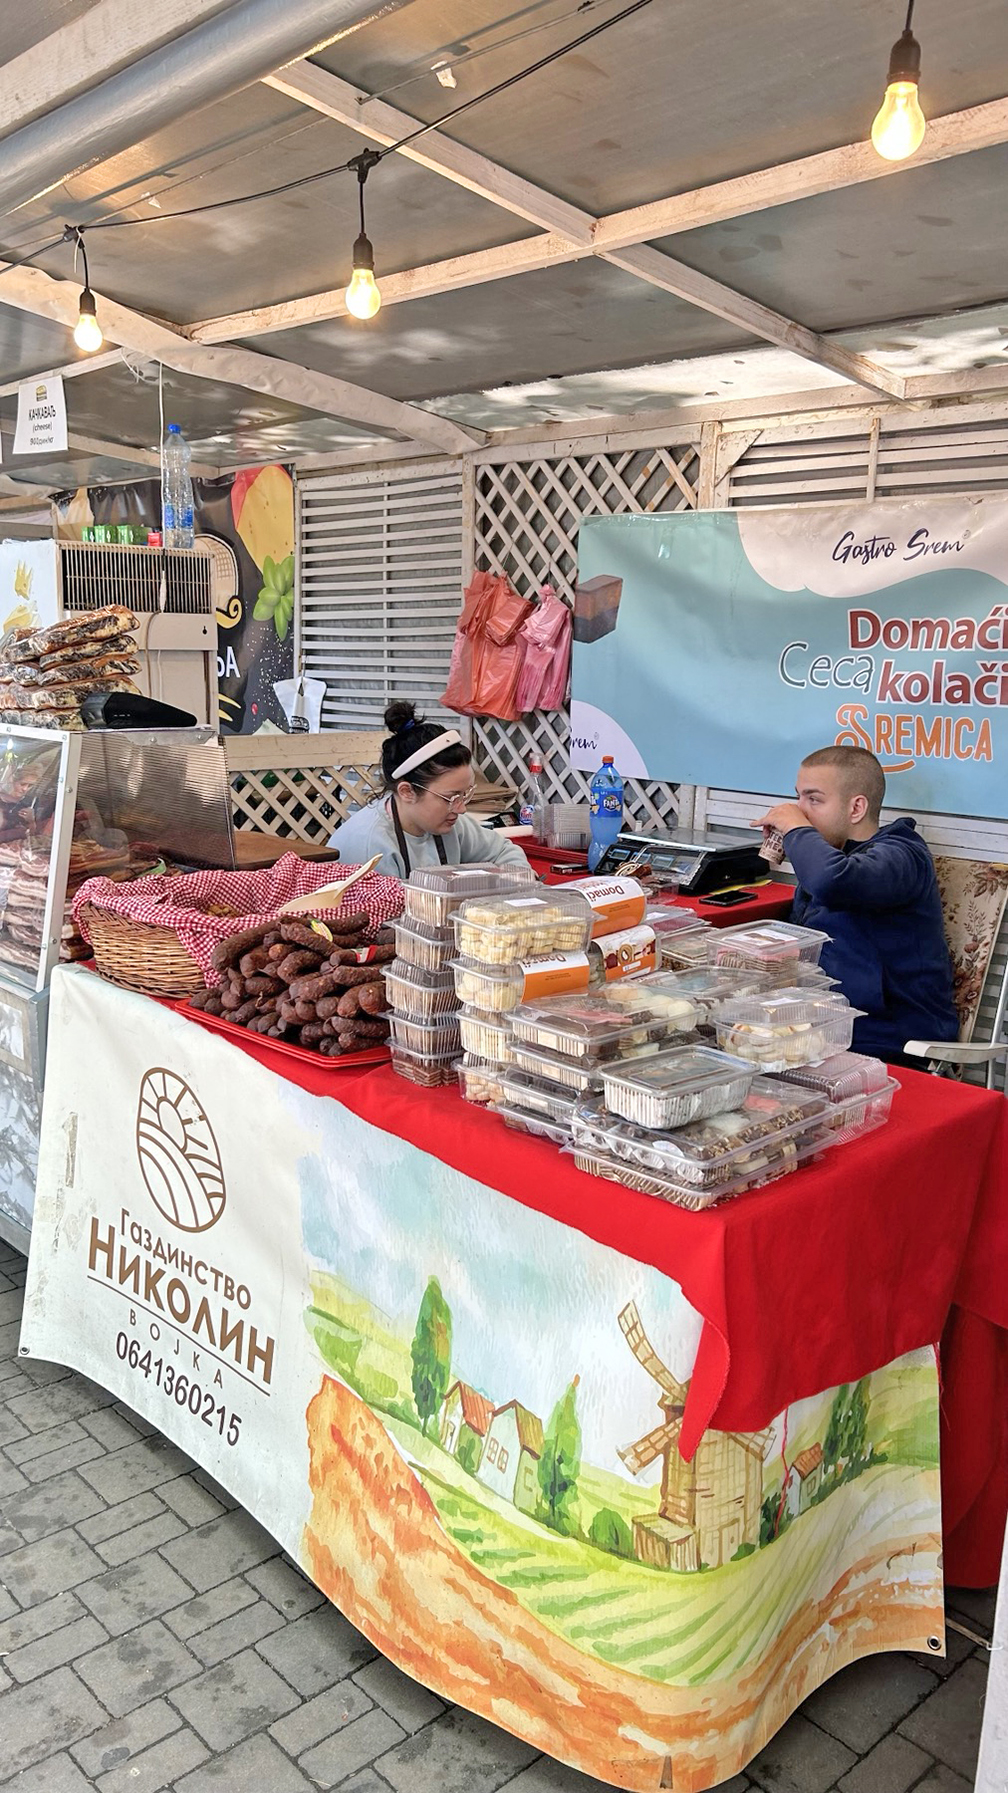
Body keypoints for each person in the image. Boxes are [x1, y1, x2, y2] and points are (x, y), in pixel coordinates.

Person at [757, 744, 958, 1065]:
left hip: (889, 1040)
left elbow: (834, 881)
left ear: (856, 808)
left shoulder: (903, 856)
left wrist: (796, 830)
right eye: (798, 798)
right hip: (821, 1024)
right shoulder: (833, 854)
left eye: (814, 800)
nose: (800, 811)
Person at [328, 701, 532, 880]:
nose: (461, 809)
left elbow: (503, 852)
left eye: (465, 795)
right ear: (407, 792)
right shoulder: (369, 847)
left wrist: (518, 881)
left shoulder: (451, 825)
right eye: (451, 797)